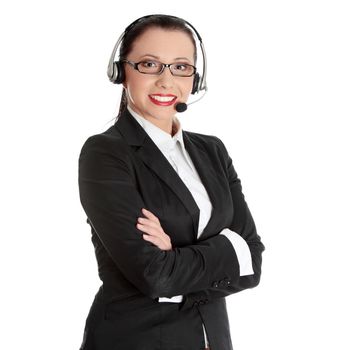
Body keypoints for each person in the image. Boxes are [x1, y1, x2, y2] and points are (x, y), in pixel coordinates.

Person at [78, 14, 265, 350]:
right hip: (137, 339)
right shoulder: (106, 153)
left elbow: (252, 262)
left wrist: (175, 254)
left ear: (196, 77)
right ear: (122, 72)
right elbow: (154, 275)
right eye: (150, 64)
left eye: (181, 67)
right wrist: (224, 251)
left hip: (213, 339)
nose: (166, 81)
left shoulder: (213, 150)